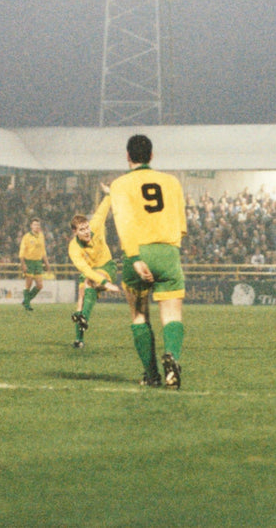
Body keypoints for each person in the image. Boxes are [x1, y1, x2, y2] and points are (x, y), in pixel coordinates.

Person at [109, 134, 187, 389]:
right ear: (151, 156)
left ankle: (151, 374)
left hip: (138, 253)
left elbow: (124, 222)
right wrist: (168, 252)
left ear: (128, 156)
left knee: (140, 315)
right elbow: (182, 227)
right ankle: (172, 359)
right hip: (167, 251)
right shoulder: (171, 182)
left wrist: (134, 257)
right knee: (172, 314)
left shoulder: (120, 185)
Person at [67, 183, 121, 348]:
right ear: (75, 232)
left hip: (107, 266)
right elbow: (84, 269)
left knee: (88, 286)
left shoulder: (95, 225)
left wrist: (108, 193)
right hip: (91, 271)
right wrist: (105, 284)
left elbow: (104, 208)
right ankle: (79, 338)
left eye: (87, 227)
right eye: (82, 230)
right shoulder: (73, 248)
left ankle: (81, 316)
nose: (87, 231)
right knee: (83, 291)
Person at [19, 217, 51, 311]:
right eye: (35, 225)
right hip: (29, 262)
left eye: (38, 225)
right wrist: (23, 264)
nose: (37, 226)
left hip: (38, 262)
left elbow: (43, 250)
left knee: (40, 285)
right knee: (28, 284)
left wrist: (47, 263)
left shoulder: (41, 235)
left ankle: (26, 300)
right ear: (31, 226)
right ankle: (27, 305)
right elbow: (21, 252)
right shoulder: (27, 237)